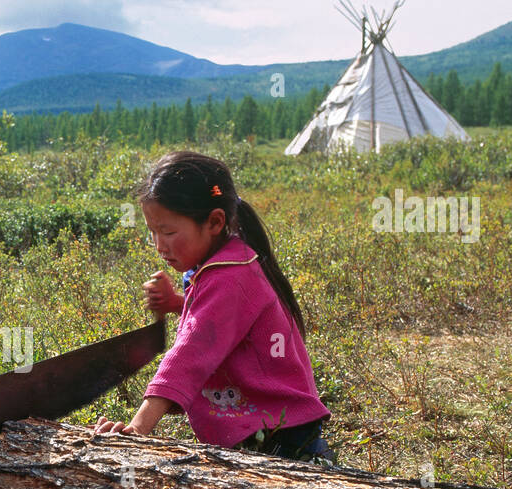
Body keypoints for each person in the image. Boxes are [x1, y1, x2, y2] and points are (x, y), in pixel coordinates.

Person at [93, 152, 335, 463]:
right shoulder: (227, 262)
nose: (159, 245)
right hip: (274, 426)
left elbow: (189, 354)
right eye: (153, 232)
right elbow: (223, 323)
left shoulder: (231, 276)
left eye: (168, 232)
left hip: (281, 436)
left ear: (215, 222)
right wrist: (179, 305)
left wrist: (138, 429)